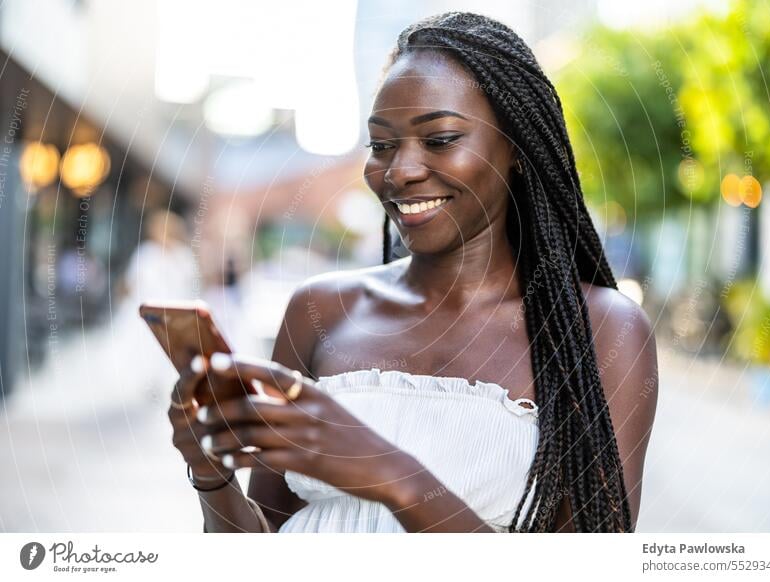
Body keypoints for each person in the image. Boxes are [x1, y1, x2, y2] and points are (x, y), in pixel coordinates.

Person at [167, 12, 659, 533]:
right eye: (381, 145)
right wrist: (210, 472)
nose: (400, 170)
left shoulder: (602, 330)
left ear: (516, 147)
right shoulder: (321, 312)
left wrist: (387, 472)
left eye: (440, 139)